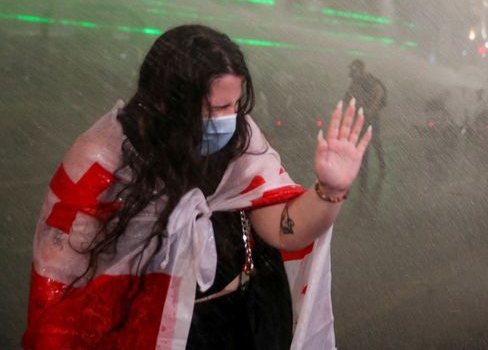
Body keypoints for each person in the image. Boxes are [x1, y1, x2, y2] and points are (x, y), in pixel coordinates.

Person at [22, 24, 371, 350]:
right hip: (149, 335)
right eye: (218, 107)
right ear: (166, 101)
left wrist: (330, 189)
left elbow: (285, 230)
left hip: (245, 320)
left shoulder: (241, 142)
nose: (231, 119)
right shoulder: (102, 160)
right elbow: (60, 286)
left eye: (235, 104)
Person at [343, 59, 386, 174]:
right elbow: (348, 96)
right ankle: (365, 166)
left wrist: (371, 109)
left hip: (371, 116)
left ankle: (380, 163)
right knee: (364, 139)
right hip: (363, 114)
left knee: (374, 139)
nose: (351, 71)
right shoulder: (356, 81)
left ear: (360, 69)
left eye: (354, 69)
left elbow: (379, 92)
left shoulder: (368, 80)